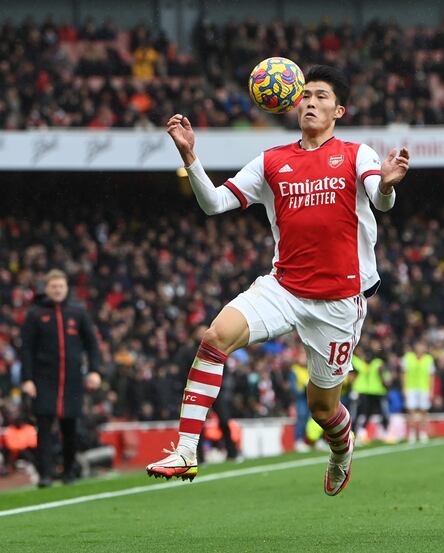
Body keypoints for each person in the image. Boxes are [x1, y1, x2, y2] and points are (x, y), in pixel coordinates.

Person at [146, 65, 410, 496]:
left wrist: (388, 184)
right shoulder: (272, 161)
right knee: (215, 336)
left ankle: (342, 449)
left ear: (338, 110)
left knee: (322, 408)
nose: (310, 100)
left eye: (321, 96)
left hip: (339, 301)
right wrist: (190, 157)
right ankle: (187, 451)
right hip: (283, 287)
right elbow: (214, 204)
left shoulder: (355, 153)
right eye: (305, 94)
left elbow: (381, 197)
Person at [20, 269, 102, 488]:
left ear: (66, 289)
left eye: (61, 286)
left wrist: (94, 371)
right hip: (44, 380)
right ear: (47, 288)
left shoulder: (78, 313)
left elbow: (92, 345)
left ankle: (69, 472)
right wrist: (27, 379)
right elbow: (26, 349)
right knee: (44, 429)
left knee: (70, 428)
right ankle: (45, 475)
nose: (57, 290)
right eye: (53, 286)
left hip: (72, 380)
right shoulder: (35, 314)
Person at [350, 340, 391, 444]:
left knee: (365, 413)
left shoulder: (367, 363)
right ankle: (352, 434)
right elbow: (351, 376)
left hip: (367, 391)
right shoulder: (354, 360)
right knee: (355, 414)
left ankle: (360, 433)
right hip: (358, 391)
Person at [402, 340, 436, 443]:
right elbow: (404, 373)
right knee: (411, 410)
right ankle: (412, 433)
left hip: (424, 388)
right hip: (411, 387)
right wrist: (404, 387)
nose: (420, 348)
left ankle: (422, 433)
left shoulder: (429, 359)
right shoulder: (408, 357)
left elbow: (431, 376)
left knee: (424, 411)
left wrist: (431, 390)